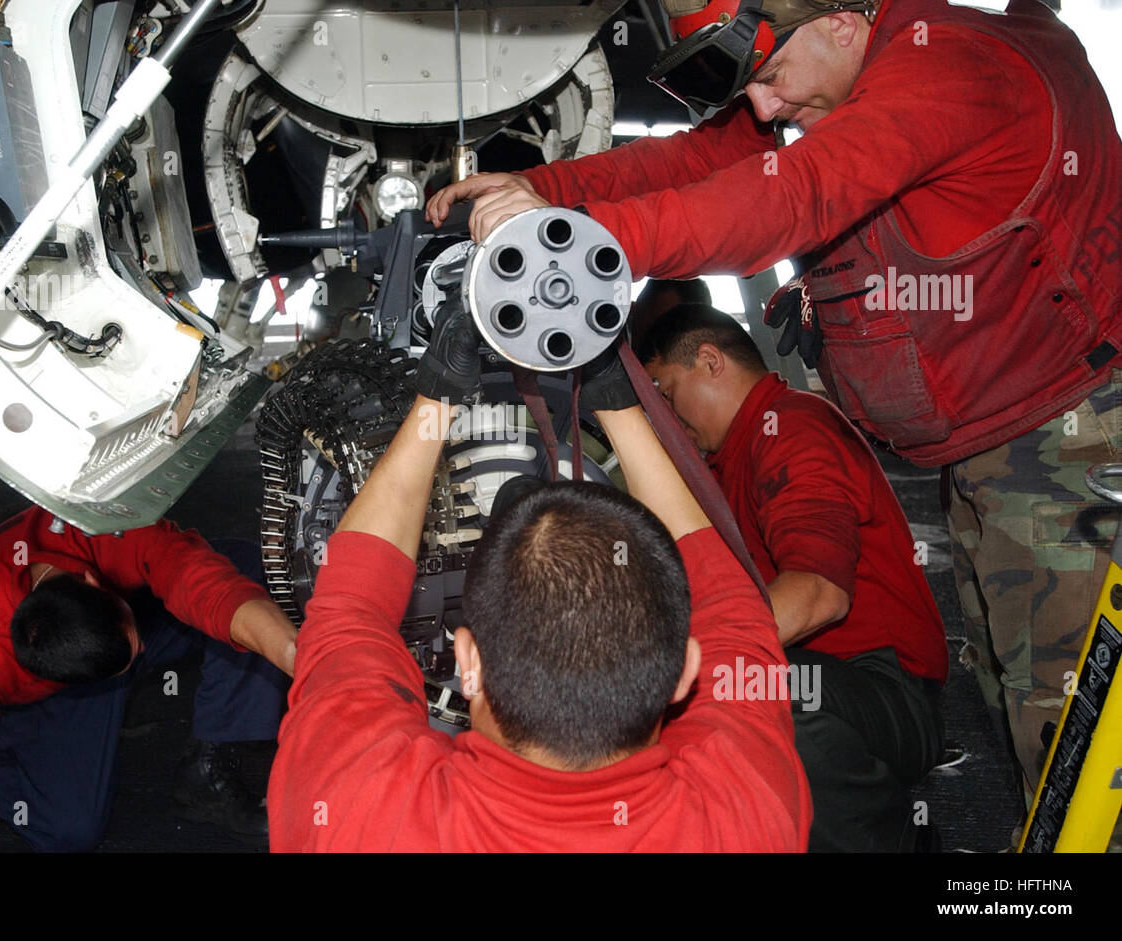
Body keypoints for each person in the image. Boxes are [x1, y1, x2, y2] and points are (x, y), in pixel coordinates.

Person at [427, 0, 1122, 806]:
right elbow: (685, 165)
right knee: (1018, 693)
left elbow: (791, 198)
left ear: (842, 21)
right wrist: (537, 189)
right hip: (985, 446)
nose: (762, 109)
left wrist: (571, 241)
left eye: (770, 79)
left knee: (1074, 727)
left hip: (1064, 442)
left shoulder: (948, 67)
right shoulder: (835, 80)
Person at [265, 301, 812, 852]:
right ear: (684, 669)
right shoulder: (747, 811)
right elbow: (733, 611)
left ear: (469, 663)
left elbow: (348, 613)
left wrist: (437, 399)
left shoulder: (357, 813)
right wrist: (614, 397)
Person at [639, 302, 946, 850]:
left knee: (759, 694)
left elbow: (819, 595)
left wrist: (670, 669)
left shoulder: (794, 429)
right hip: (823, 668)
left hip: (885, 687)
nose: (668, 415)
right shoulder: (727, 454)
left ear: (710, 362)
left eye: (665, 392)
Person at [0, 506, 298, 852]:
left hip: (114, 619)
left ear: (95, 581)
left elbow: (198, 577)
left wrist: (297, 656)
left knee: (246, 570)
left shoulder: (103, 531)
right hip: (56, 696)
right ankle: (0, 761)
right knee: (69, 832)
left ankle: (208, 770)